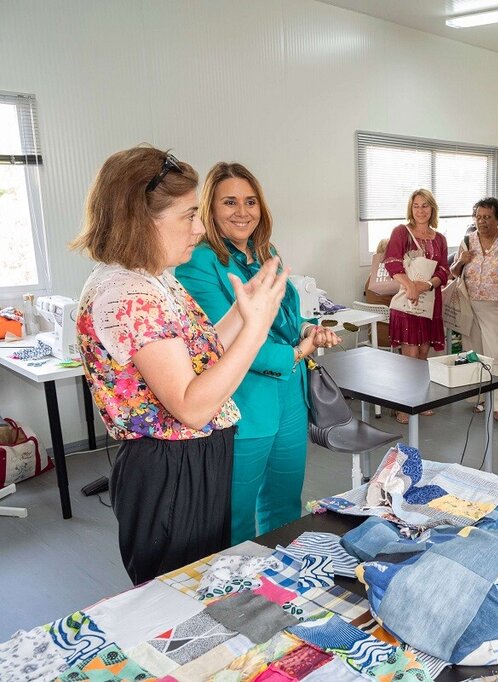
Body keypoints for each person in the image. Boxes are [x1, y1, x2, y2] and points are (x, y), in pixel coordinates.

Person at [72, 146, 288, 584]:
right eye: (189, 216)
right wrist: (256, 328)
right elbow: (192, 406)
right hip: (170, 470)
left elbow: (201, 352)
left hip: (190, 462)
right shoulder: (127, 295)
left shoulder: (152, 278)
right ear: (142, 219)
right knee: (178, 593)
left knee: (201, 583)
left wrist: (244, 312)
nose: (199, 227)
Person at [176, 162, 340, 545]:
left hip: (290, 398)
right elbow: (226, 342)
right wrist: (297, 352)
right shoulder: (199, 262)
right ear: (209, 208)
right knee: (235, 514)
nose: (243, 212)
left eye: (250, 202)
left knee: (285, 505)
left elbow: (284, 316)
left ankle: (279, 572)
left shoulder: (265, 252)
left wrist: (307, 330)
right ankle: (238, 581)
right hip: (243, 402)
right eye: (229, 202)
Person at [383, 189, 451, 424]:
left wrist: (426, 286)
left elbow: (444, 270)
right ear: (410, 209)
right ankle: (404, 405)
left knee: (423, 352)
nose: (420, 210)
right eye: (416, 206)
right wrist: (411, 286)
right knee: (409, 355)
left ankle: (419, 400)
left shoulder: (440, 238)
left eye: (425, 205)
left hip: (430, 300)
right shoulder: (401, 232)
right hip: (407, 300)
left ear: (432, 209)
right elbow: (391, 262)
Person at [450, 197, 498, 429]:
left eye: (487, 217)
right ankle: (478, 398)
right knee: (473, 353)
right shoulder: (468, 240)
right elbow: (454, 272)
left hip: (496, 305)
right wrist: (460, 261)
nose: (482, 221)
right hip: (469, 303)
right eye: (478, 217)